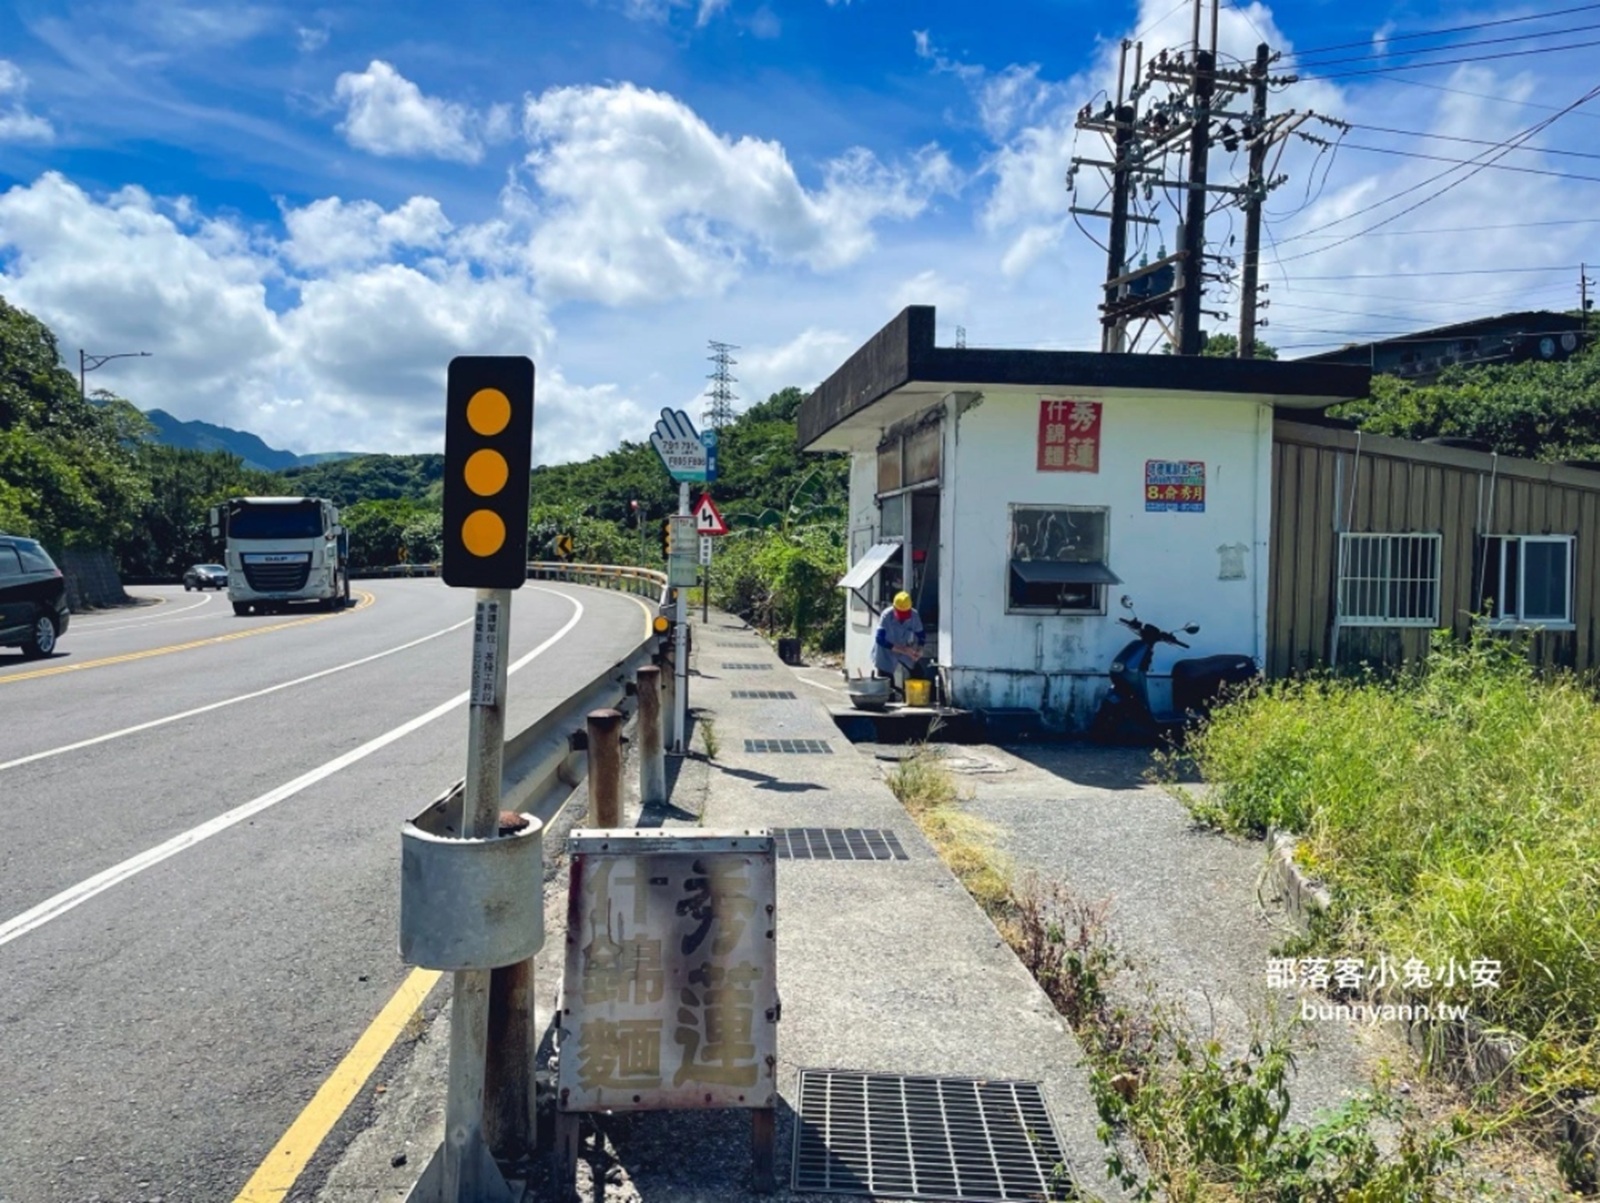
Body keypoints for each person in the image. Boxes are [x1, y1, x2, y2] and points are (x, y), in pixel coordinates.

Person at [873, 591, 926, 692]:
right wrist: (903, 650)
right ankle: (890, 697)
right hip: (886, 649)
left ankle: (913, 695)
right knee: (887, 683)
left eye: (906, 613)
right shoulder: (886, 615)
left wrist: (920, 648)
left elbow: (921, 635)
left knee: (919, 673)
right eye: (900, 613)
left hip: (905, 648)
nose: (903, 617)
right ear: (894, 608)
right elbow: (879, 639)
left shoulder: (914, 615)